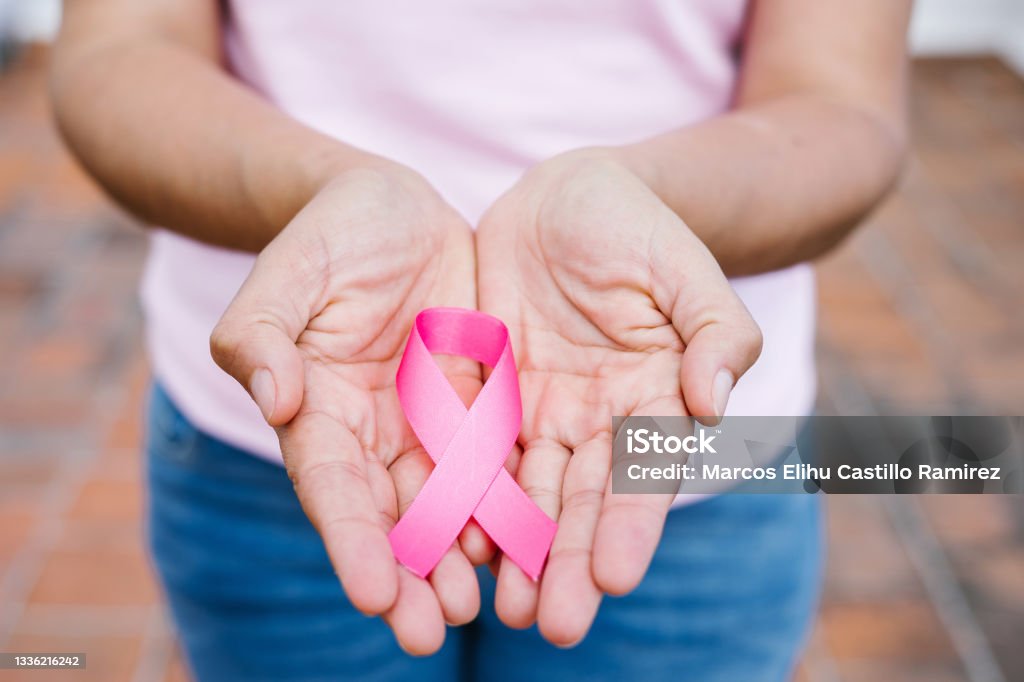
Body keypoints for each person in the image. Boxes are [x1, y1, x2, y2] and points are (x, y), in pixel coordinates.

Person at [50, 1, 911, 679]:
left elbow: (842, 103)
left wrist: (641, 195)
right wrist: (324, 189)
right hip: (298, 420)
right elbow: (118, 50)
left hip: (673, 431)